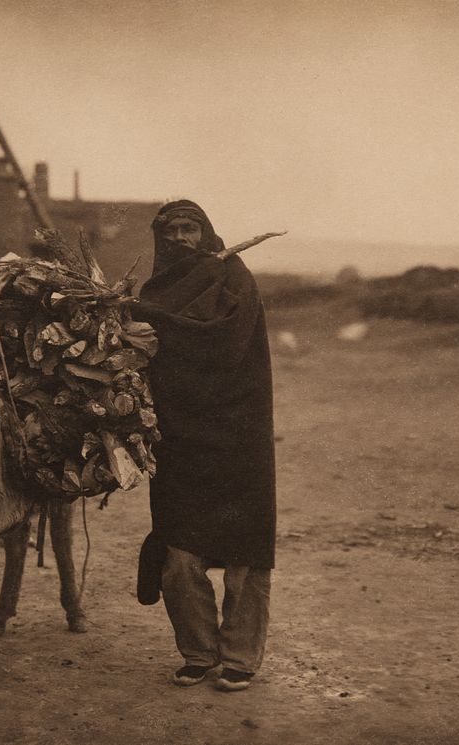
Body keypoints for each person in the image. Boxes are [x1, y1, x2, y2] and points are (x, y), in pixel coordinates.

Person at [133, 200, 276, 692]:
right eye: (171, 230)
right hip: (179, 436)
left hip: (239, 434)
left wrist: (155, 324)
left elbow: (224, 343)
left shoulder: (235, 277)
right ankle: (198, 653)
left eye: (190, 228)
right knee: (179, 552)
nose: (181, 238)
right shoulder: (156, 289)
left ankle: (239, 657)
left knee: (245, 554)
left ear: (206, 231)